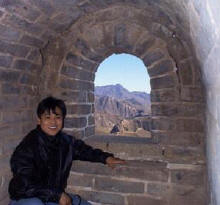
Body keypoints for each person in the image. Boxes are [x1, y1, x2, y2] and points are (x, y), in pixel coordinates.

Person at [8, 96, 125, 205]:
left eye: (57, 117)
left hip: (54, 197)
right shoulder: (28, 147)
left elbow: (85, 151)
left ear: (62, 119)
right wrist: (57, 195)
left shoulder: (66, 142)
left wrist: (106, 158)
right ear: (39, 120)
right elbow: (23, 184)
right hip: (28, 199)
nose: (53, 122)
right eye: (47, 117)